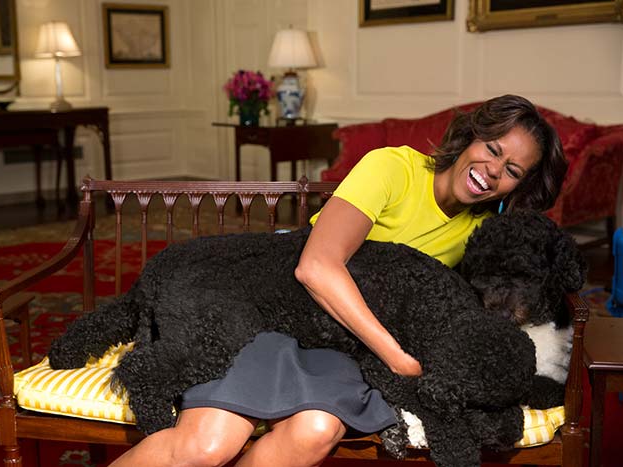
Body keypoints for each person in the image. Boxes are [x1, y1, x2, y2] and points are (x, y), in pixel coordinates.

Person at [108, 94, 567, 467]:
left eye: (512, 171)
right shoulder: (392, 168)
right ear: (471, 137)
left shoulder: (482, 234)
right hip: (282, 311)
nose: (493, 170)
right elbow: (316, 268)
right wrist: (397, 357)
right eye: (493, 150)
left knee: (316, 431)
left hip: (351, 350)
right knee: (207, 446)